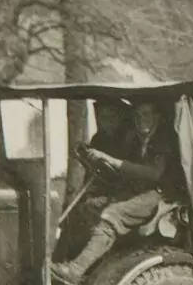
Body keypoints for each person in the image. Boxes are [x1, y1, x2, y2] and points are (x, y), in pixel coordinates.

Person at [49, 101, 184, 285]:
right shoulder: (135, 141)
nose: (141, 121)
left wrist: (110, 160)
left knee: (112, 214)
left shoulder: (164, 139)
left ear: (157, 117)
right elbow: (123, 175)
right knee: (87, 209)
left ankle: (75, 271)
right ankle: (69, 266)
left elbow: (154, 174)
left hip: (162, 196)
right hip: (140, 194)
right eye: (137, 117)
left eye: (146, 115)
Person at [55, 97, 136, 262]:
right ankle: (61, 260)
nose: (107, 122)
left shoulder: (130, 139)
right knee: (73, 213)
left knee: (89, 210)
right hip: (102, 189)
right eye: (103, 118)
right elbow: (93, 170)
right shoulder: (99, 138)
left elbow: (129, 174)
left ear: (121, 117)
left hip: (126, 195)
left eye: (112, 117)